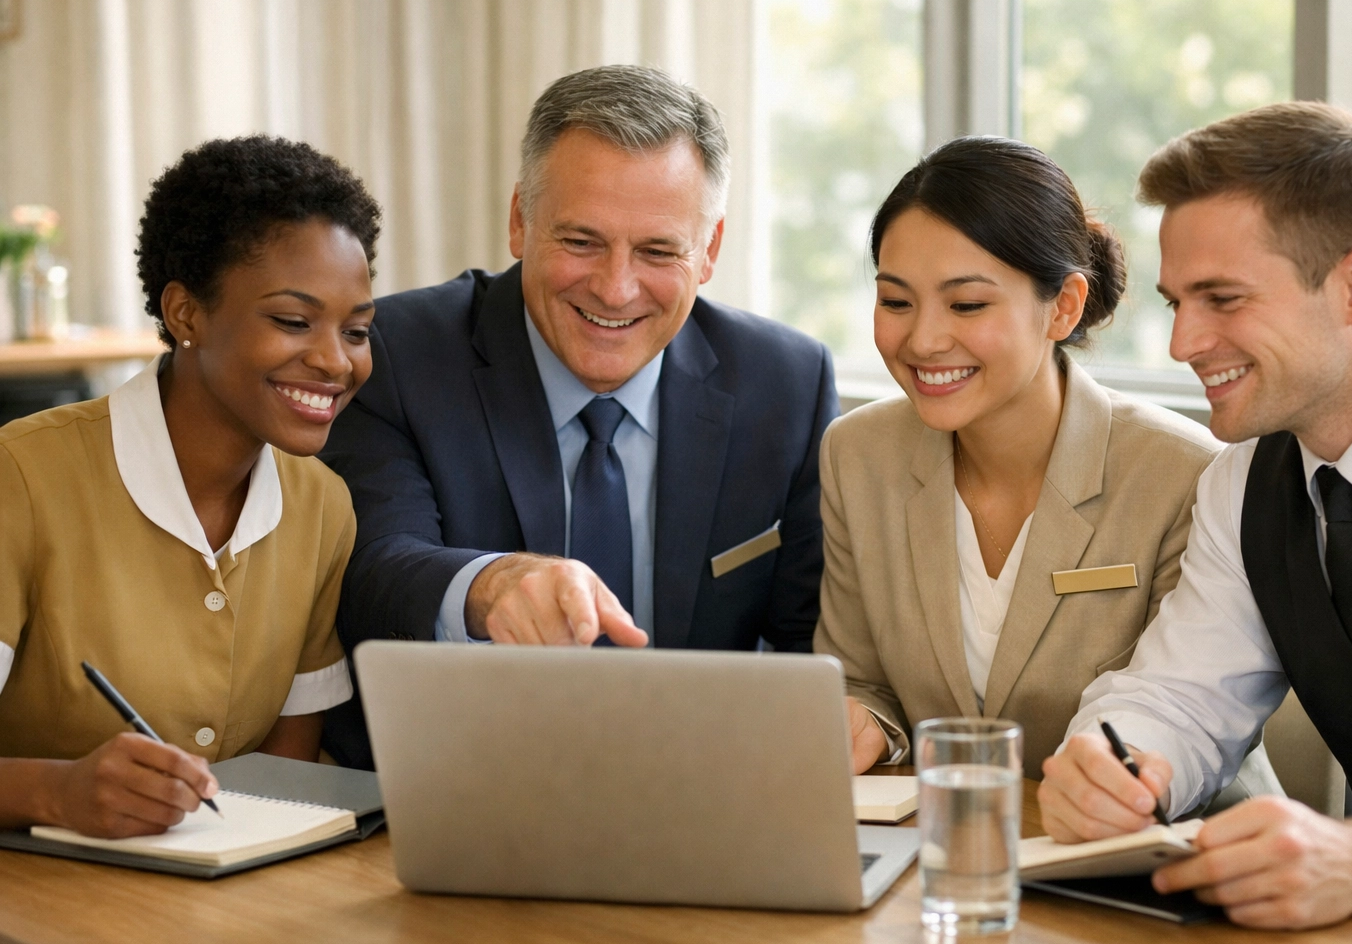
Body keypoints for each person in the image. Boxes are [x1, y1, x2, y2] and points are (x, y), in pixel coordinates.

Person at [1040, 101, 1352, 932]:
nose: (1184, 343)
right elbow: (1183, 697)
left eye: (1223, 299)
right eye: (1175, 304)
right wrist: (1109, 761)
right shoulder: (1242, 484)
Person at [320, 65, 836, 768]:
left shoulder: (787, 383)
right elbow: (375, 572)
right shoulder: (397, 354)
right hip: (460, 788)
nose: (615, 288)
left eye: (657, 251)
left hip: (700, 793)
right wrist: (489, 584)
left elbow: (815, 641)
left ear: (708, 251)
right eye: (581, 241)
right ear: (519, 221)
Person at [817, 136, 1241, 780]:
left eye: (967, 304)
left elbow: (1188, 712)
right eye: (896, 301)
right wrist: (863, 721)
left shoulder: (1184, 473)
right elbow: (861, 681)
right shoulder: (857, 454)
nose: (924, 339)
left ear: (1064, 307)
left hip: (1149, 851)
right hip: (943, 848)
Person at [0, 135, 379, 838]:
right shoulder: (20, 477)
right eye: (293, 322)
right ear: (186, 316)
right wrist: (58, 793)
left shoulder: (323, 507)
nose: (334, 361)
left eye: (356, 330)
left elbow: (285, 782)